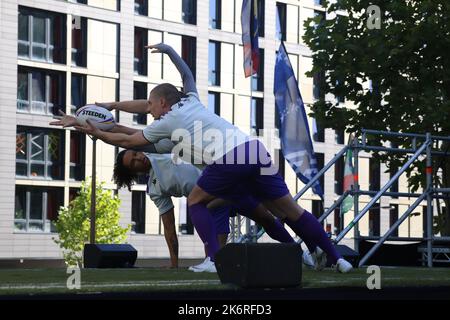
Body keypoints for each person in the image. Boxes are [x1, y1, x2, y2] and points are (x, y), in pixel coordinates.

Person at [70, 43, 352, 273]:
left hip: (231, 161)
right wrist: (169, 51)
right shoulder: (190, 101)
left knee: (195, 200)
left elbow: (130, 139)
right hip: (253, 152)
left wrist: (93, 129)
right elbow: (183, 78)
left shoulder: (166, 122)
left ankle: (213, 260)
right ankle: (335, 258)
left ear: (163, 103)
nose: (149, 110)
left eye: (152, 106)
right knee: (287, 212)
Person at [113, 149, 296, 272]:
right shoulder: (155, 190)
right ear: (132, 172)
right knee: (207, 207)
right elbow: (168, 226)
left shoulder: (159, 148)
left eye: (136, 153)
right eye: (133, 162)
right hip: (214, 197)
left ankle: (297, 251)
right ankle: (217, 261)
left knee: (266, 219)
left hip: (227, 179)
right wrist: (174, 264)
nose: (139, 158)